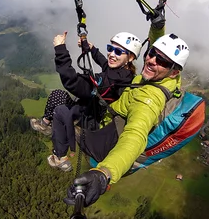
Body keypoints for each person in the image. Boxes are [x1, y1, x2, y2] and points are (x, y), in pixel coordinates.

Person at [63, 33, 190, 207]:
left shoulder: (149, 99)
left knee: (66, 115)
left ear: (174, 71)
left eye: (162, 61)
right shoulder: (162, 78)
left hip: (104, 141)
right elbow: (158, 46)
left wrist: (103, 173)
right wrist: (158, 24)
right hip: (110, 120)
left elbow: (135, 136)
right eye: (152, 53)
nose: (152, 60)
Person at [31, 31, 143, 169]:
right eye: (110, 48)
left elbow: (74, 83)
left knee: (58, 102)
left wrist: (60, 49)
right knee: (58, 98)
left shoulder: (112, 80)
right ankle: (45, 124)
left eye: (118, 52)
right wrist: (90, 48)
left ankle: (60, 157)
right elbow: (104, 63)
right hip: (90, 109)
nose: (112, 54)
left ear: (131, 57)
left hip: (89, 117)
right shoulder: (124, 73)